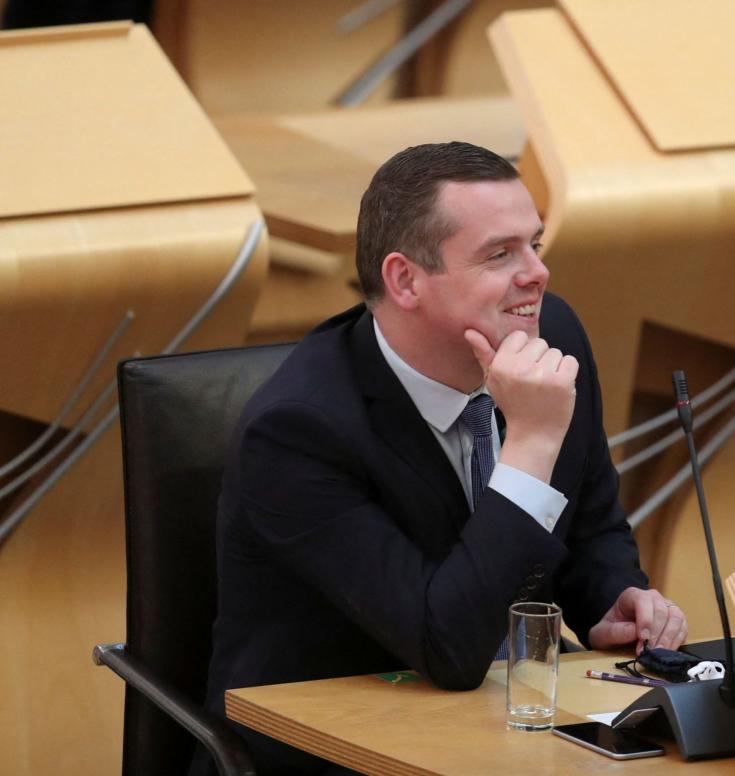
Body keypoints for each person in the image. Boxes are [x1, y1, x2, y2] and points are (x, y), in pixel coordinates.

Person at [193, 142, 686, 775]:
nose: (537, 274)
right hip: (341, 748)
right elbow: (449, 649)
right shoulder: (297, 434)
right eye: (500, 254)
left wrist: (610, 597)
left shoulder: (548, 336)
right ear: (406, 280)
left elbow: (589, 523)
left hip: (514, 727)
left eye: (537, 244)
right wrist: (529, 444)